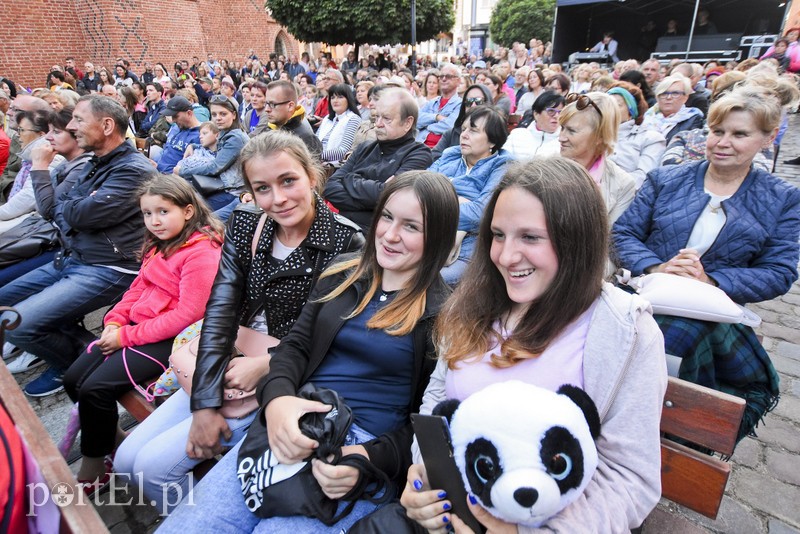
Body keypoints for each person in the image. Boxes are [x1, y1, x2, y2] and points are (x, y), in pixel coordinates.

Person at [159, 170, 459, 532]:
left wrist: (365, 459)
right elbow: (294, 348)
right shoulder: (344, 271)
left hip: (355, 454)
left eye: (412, 227)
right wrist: (278, 402)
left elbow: (427, 423)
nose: (390, 235)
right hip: (294, 422)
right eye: (387, 217)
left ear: (438, 236)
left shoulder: (443, 316)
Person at [401, 157, 667, 532]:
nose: (506, 257)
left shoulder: (625, 330)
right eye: (497, 235)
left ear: (575, 240)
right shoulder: (473, 304)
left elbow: (628, 477)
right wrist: (424, 478)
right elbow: (436, 405)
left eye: (530, 237)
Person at [115, 131, 364, 512]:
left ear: (311, 176)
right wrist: (204, 404)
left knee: (152, 469)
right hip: (229, 359)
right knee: (127, 458)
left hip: (286, 373)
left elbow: (330, 332)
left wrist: (266, 365)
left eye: (288, 181)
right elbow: (222, 307)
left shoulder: (345, 240)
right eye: (262, 188)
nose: (278, 199)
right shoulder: (248, 222)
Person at [613, 85, 800, 442]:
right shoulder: (665, 180)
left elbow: (779, 272)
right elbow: (623, 234)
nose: (723, 142)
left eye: (739, 134)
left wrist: (711, 280)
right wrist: (656, 267)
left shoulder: (782, 198)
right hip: (646, 294)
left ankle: (674, 437)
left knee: (679, 341)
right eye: (717, 131)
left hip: (713, 309)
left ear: (767, 137)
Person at [63, 173, 224, 493]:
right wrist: (114, 321)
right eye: (148, 214)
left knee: (95, 388)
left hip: (174, 339)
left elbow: (188, 315)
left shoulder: (202, 252)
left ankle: (95, 465)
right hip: (140, 328)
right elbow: (139, 287)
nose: (154, 221)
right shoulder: (159, 244)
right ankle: (114, 440)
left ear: (188, 211)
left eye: (163, 212)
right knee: (73, 378)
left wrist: (125, 338)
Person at [0, 95, 153, 396]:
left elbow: (70, 213)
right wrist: (70, 206)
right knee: (3, 300)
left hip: (108, 267)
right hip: (73, 257)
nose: (71, 126)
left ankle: (79, 366)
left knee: (18, 323)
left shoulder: (131, 170)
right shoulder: (94, 162)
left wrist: (52, 186)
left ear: (107, 125)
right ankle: (80, 344)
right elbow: (58, 210)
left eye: (79, 120)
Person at [325, 88, 434, 231]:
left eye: (387, 119)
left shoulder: (418, 154)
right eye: (377, 117)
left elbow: (390, 197)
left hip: (377, 235)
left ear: (407, 123)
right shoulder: (364, 148)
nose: (378, 124)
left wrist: (350, 179)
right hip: (343, 227)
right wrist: (374, 199)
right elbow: (330, 188)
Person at [429, 106, 510, 284]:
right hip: (428, 235)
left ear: (492, 141)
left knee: (430, 282)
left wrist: (433, 205)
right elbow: (417, 191)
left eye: (473, 131)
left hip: (468, 246)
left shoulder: (502, 165)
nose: (464, 135)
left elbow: (480, 214)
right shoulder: (450, 155)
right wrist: (459, 201)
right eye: (464, 129)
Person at [558, 92, 635, 225]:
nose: (561, 138)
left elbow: (611, 239)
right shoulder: (544, 168)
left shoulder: (622, 185)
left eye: (571, 131)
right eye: (562, 128)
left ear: (600, 136)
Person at [175, 95, 249, 216]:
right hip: (223, 187)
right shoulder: (227, 132)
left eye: (223, 114)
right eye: (214, 115)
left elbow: (215, 167)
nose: (218, 118)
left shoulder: (235, 138)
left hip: (232, 192)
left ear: (234, 115)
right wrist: (195, 146)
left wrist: (183, 170)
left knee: (191, 211)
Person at [608, 82, 666, 188]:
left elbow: (643, 177)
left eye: (618, 105)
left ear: (631, 112)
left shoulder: (651, 138)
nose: (610, 109)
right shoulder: (593, 134)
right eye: (607, 104)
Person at [253, 80, 322, 155]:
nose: (267, 109)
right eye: (266, 103)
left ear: (290, 106)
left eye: (272, 104)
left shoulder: (305, 138)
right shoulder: (267, 130)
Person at [431, 84, 493, 161]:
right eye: (469, 101)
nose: (473, 105)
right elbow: (435, 156)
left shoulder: (495, 133)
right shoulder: (451, 134)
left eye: (479, 101)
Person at [642, 74, 704, 144]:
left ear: (685, 98)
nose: (668, 97)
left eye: (675, 93)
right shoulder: (646, 116)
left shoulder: (693, 119)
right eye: (664, 93)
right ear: (657, 97)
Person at [504, 91, 564, 160]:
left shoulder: (563, 142)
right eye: (551, 111)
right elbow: (502, 162)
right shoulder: (518, 135)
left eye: (560, 112)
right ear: (536, 114)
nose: (556, 116)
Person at [416, 64, 463, 148]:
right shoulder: (433, 102)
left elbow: (450, 127)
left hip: (441, 151)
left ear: (458, 81)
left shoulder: (460, 104)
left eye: (448, 76)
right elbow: (417, 120)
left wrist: (426, 126)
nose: (444, 79)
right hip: (420, 145)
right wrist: (436, 117)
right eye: (441, 76)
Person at [315, 84, 362, 164]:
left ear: (348, 99)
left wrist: (317, 156)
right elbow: (314, 141)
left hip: (335, 166)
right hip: (317, 162)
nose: (335, 101)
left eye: (340, 97)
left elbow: (343, 150)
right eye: (332, 97)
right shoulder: (327, 119)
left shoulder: (353, 119)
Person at [156, 96, 201, 174]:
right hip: (159, 171)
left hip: (173, 180)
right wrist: (156, 165)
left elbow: (190, 170)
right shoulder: (177, 128)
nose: (173, 120)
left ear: (189, 113)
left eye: (176, 116)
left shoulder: (200, 135)